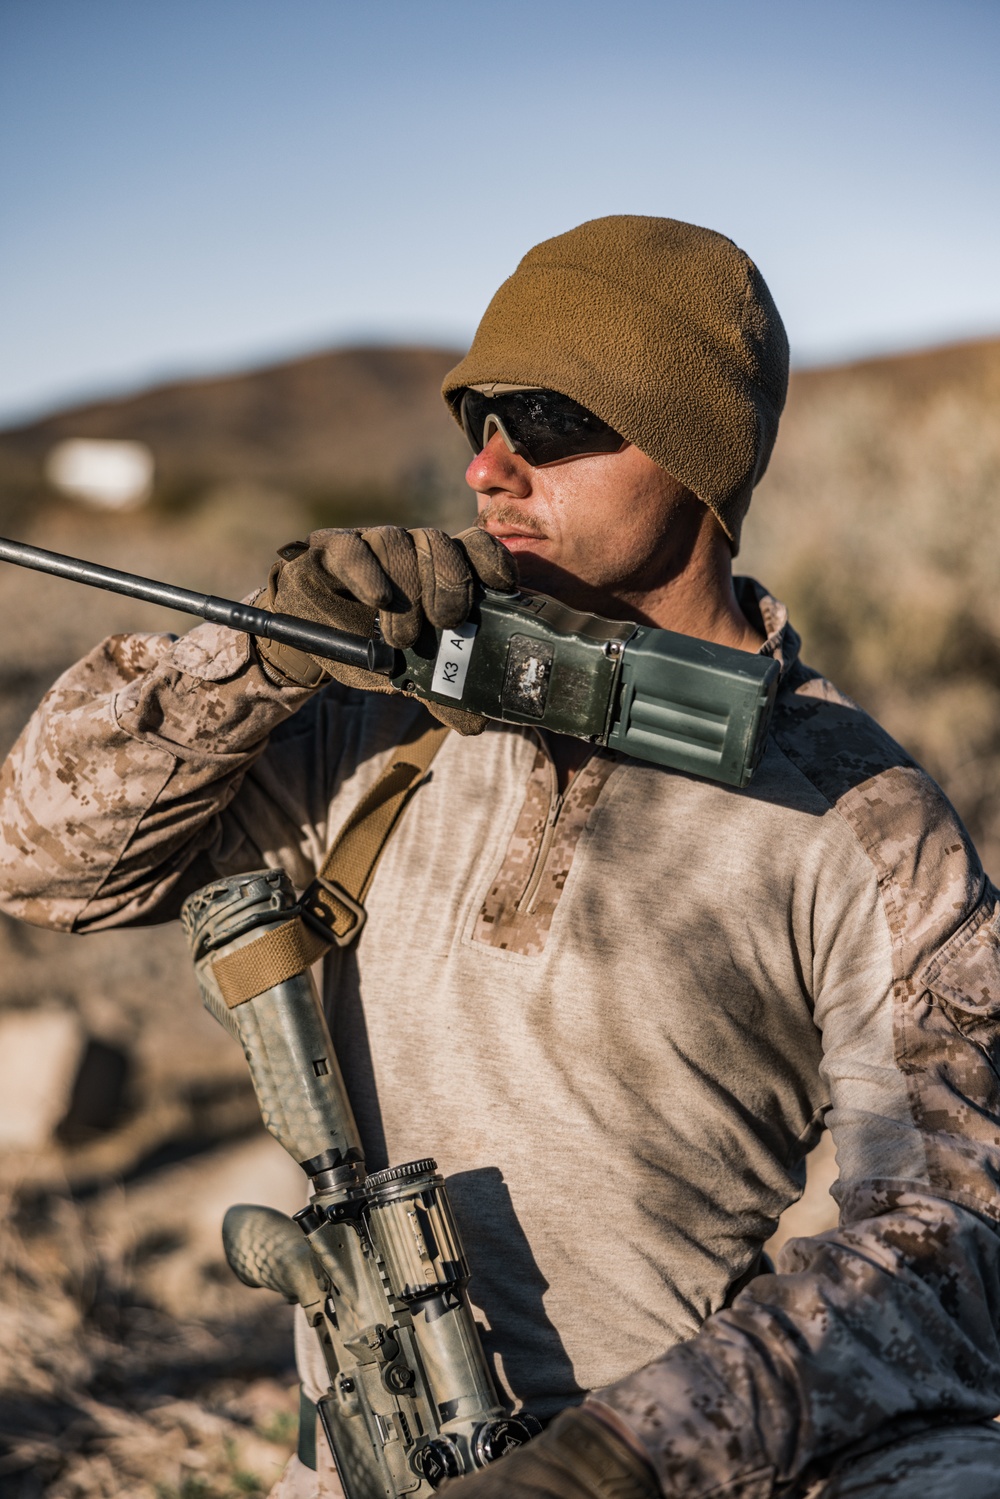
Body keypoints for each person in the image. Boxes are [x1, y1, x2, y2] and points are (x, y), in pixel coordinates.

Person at [2, 216, 1000, 1499]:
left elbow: (946, 1239)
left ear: (696, 451)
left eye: (543, 418)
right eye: (478, 417)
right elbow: (45, 860)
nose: (488, 469)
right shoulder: (367, 717)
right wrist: (259, 650)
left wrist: (620, 1454)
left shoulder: (862, 817)